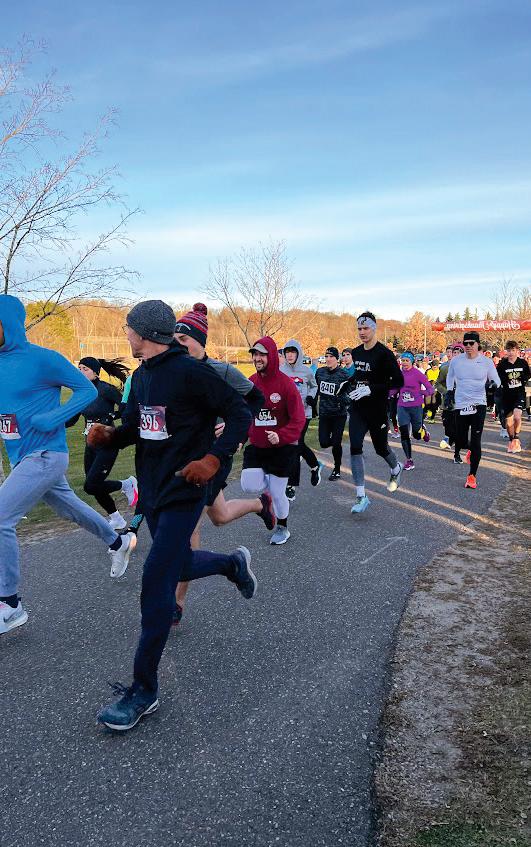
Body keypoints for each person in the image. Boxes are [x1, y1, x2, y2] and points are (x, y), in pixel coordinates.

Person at [92, 299, 255, 731]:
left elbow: (241, 413)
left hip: (187, 487)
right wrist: (110, 437)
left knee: (155, 582)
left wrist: (214, 459)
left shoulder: (191, 372)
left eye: (129, 328)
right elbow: (137, 427)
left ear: (145, 332)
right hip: (153, 489)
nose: (126, 335)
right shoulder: (143, 376)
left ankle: (143, 690)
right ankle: (231, 564)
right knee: (177, 564)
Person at [0, 296, 135, 634]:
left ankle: (10, 604)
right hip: (20, 457)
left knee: (1, 519)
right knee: (69, 509)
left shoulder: (42, 359)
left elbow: (85, 391)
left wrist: (54, 418)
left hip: (46, 454)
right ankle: (118, 542)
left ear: (8, 324)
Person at [172, 303, 275, 621]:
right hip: (186, 457)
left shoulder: (222, 371)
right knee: (219, 515)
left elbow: (255, 398)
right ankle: (260, 504)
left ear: (199, 341)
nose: (177, 346)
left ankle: (176, 603)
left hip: (215, 457)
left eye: (183, 340)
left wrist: (235, 429)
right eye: (174, 340)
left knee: (190, 527)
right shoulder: (174, 372)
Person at [240, 336, 306, 545]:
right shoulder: (251, 382)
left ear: (272, 356)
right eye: (255, 354)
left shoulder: (286, 384)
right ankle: (266, 498)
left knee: (278, 493)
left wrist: (281, 435)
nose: (257, 358)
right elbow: (244, 414)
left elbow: (299, 419)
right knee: (248, 485)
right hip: (258, 446)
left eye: (262, 354)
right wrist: (239, 436)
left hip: (281, 448)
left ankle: (282, 528)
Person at [67, 356, 138, 530]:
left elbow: (124, 409)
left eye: (85, 369)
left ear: (96, 372)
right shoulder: (81, 392)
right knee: (92, 486)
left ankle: (127, 484)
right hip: (90, 443)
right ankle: (116, 518)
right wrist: (53, 423)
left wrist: (110, 416)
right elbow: (72, 419)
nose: (81, 372)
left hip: (107, 442)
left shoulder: (106, 389)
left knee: (92, 484)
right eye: (79, 368)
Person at [346, 312, 404, 513]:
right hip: (358, 408)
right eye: (359, 329)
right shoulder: (356, 352)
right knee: (355, 446)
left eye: (365, 328)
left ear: (374, 328)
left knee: (381, 448)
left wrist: (371, 389)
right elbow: (360, 374)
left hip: (377, 409)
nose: (362, 332)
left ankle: (396, 468)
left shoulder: (384, 354)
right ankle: (361, 496)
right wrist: (349, 383)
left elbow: (398, 381)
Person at [446, 331, 500, 489]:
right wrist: (449, 392)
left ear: (478, 344)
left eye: (471, 343)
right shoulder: (456, 361)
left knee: (476, 441)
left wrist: (493, 385)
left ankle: (472, 476)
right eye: (465, 343)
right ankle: (471, 449)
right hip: (461, 404)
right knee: (461, 440)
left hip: (479, 404)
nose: (468, 346)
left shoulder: (486, 362)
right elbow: (450, 376)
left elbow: (496, 380)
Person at [280, 339, 321, 500]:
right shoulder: (280, 371)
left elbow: (314, 386)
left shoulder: (306, 371)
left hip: (303, 413)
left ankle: (290, 485)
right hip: (286, 414)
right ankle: (315, 465)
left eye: (293, 352)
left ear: (298, 353)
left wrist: (311, 396)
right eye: (287, 352)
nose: (290, 355)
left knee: (295, 446)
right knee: (296, 445)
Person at [315, 347, 350, 480]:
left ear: (337, 359)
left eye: (331, 357)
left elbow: (350, 396)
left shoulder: (344, 375)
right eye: (326, 356)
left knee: (336, 443)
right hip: (324, 413)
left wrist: (341, 397)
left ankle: (337, 469)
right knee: (323, 443)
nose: (328, 359)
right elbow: (316, 390)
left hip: (338, 414)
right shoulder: (320, 372)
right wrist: (313, 405)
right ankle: (336, 443)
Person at [396, 352, 432, 470]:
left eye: (407, 360)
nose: (404, 363)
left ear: (412, 361)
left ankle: (423, 430)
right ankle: (409, 460)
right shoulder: (399, 374)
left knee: (417, 435)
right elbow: (394, 389)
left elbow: (430, 389)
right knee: (404, 433)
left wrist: (421, 392)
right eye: (403, 360)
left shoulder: (418, 374)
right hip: (402, 407)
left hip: (416, 407)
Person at [497, 340, 531, 454]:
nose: (511, 353)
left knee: (517, 416)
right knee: (509, 422)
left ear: (517, 351)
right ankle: (511, 440)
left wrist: (523, 379)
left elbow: (527, 374)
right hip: (506, 395)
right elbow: (498, 377)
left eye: (513, 350)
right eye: (509, 350)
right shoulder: (502, 364)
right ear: (506, 351)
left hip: (519, 393)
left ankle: (516, 438)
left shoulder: (522, 363)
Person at [435, 343, 464, 460]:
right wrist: (446, 392)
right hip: (448, 403)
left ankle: (457, 454)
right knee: (447, 425)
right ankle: (450, 439)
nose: (454, 355)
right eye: (453, 353)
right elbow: (438, 383)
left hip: (461, 403)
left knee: (457, 428)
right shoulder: (445, 368)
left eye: (457, 353)